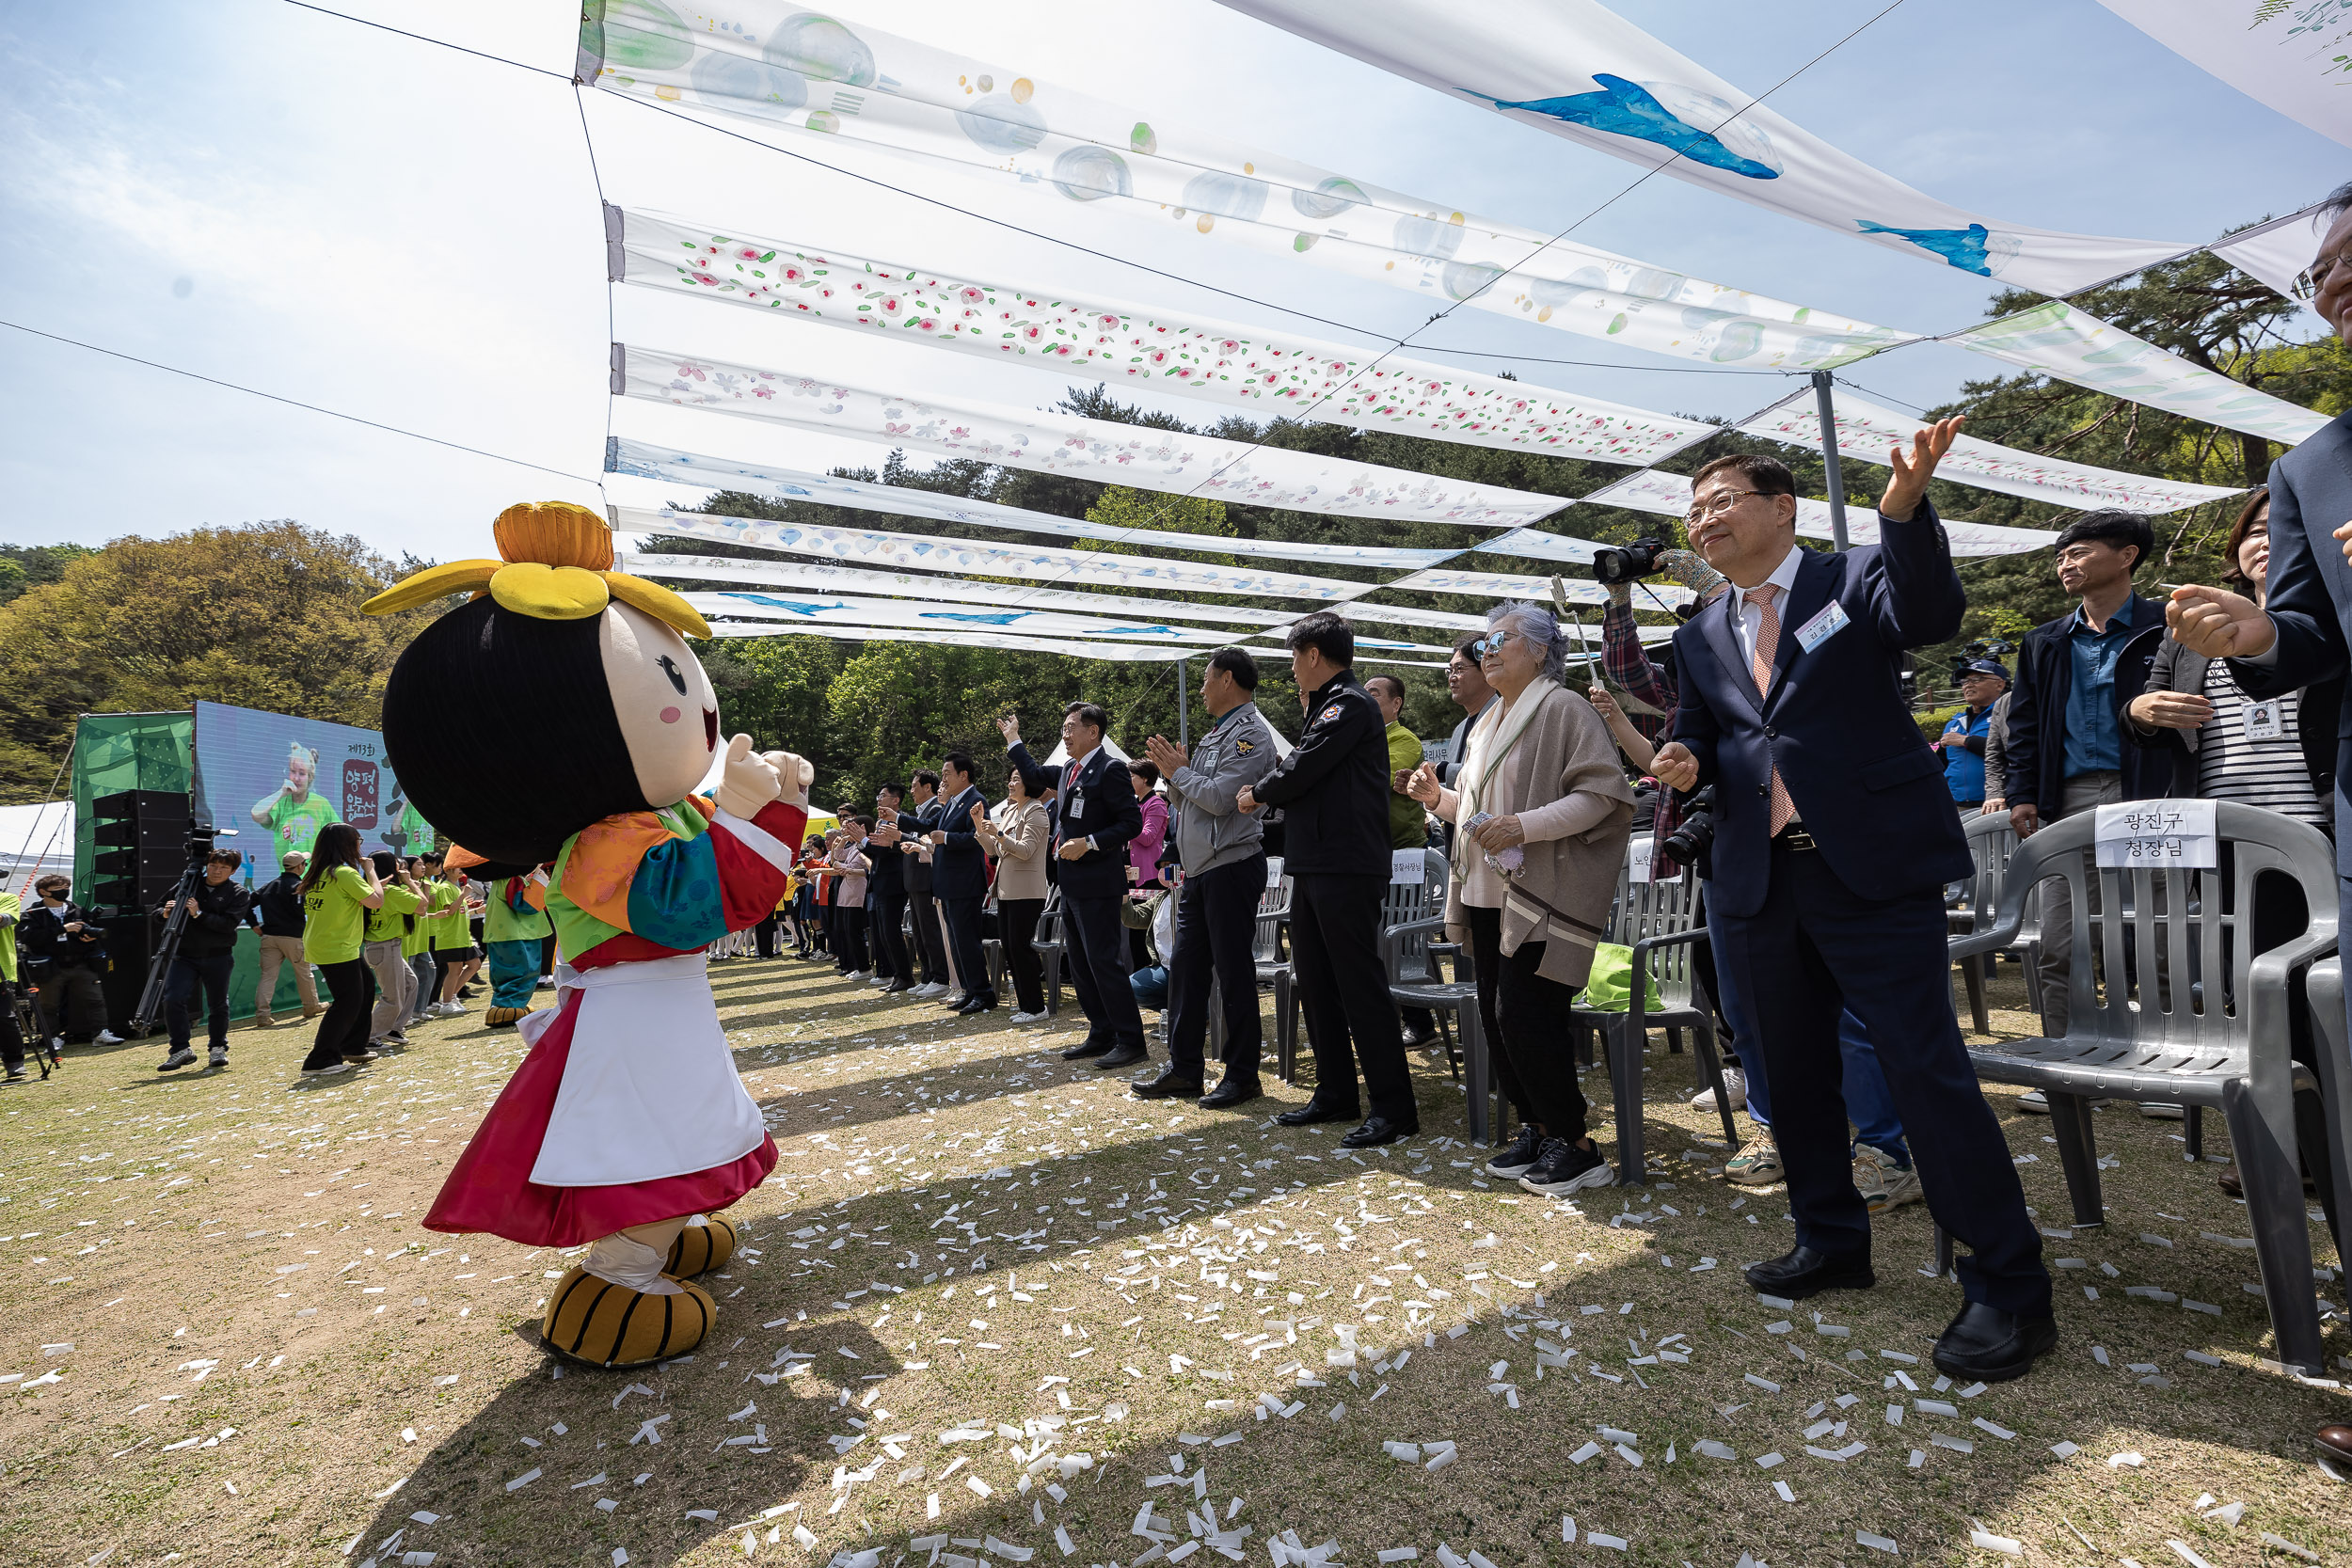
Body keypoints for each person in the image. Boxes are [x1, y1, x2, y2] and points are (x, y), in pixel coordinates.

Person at [1649, 428, 2058, 1383]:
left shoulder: (1854, 577)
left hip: (1867, 867)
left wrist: (1905, 505)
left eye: (1720, 500)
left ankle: (2007, 1285)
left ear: (1781, 506)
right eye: (1693, 508)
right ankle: (1829, 1237)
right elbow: (1700, 729)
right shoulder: (1698, 630)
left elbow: (1925, 608)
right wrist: (1683, 756)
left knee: (1923, 1070)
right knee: (1786, 1073)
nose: (1703, 518)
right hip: (1755, 876)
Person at [2166, 183, 2352, 1448]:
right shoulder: (2311, 463)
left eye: (2349, 250)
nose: (2331, 276)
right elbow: (2305, 643)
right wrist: (2254, 633)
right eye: (2322, 265)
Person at [1406, 602, 1635, 1192]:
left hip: (1540, 891)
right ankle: (1539, 1124)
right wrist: (1438, 801)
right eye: (1484, 642)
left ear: (1538, 649)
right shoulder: (1487, 721)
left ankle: (1580, 1146)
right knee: (1497, 1017)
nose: (1487, 651)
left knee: (1527, 1016)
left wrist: (1523, 826)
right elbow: (1478, 817)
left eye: (1499, 640)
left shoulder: (1562, 708)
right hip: (1486, 892)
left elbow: (1602, 796)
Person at [1238, 613, 1417, 1148]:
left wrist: (1258, 791)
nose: (1292, 670)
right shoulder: (1327, 707)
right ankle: (1337, 1091)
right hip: (1316, 861)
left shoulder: (1349, 703)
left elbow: (1304, 768)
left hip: (1346, 863)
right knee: (1315, 981)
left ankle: (1394, 1107)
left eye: (1295, 658)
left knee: (1358, 984)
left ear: (1314, 655)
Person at [2004, 511, 2174, 1037]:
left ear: (2127, 557)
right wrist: (2023, 793)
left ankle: (2170, 1062)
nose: (2065, 563)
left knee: (2160, 935)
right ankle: (2067, 1056)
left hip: (2150, 794)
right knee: (2061, 937)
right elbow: (2025, 725)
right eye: (2060, 556)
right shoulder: (2044, 642)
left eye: (2079, 552)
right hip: (2069, 797)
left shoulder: (2168, 626)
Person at [1141, 647, 1283, 1106]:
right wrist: (1176, 778)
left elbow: (1222, 799)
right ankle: (1184, 1069)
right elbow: (1190, 803)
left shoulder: (1251, 736)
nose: (1200, 689)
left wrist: (1179, 772)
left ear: (1227, 680)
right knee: (1185, 968)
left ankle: (1242, 1074)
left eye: (1206, 679)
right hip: (1200, 871)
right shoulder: (1213, 736)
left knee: (1234, 971)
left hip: (1232, 865)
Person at [1006, 706, 1146, 1055]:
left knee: (1104, 962)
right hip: (1071, 884)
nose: (1065, 735)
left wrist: (1089, 842)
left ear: (1093, 731)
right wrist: (1013, 740)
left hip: (1099, 884)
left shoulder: (1111, 769)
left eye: (1070, 728)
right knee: (1081, 966)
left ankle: (1130, 1040)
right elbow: (1034, 774)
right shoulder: (1069, 769)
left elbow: (1131, 824)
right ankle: (1101, 1032)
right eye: (1063, 728)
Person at [297, 824, 385, 1075]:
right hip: (336, 945)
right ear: (348, 844)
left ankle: (353, 1046)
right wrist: (371, 872)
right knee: (347, 1001)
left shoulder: (317, 872)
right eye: (359, 839)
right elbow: (376, 902)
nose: (360, 844)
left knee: (366, 987)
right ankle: (320, 1059)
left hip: (328, 942)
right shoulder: (344, 873)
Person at [155, 847, 253, 1071]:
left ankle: (217, 1047)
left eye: (223, 868)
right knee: (172, 998)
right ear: (206, 865)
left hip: (218, 956)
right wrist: (165, 913)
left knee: (218, 1003)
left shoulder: (238, 892)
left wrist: (198, 914)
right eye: (213, 866)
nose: (217, 871)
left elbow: (228, 925)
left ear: (233, 871)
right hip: (184, 955)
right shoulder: (188, 884)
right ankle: (180, 1050)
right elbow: (157, 909)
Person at [978, 766, 1053, 1022]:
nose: (1011, 784)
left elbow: (1026, 850)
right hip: (1006, 890)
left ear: (1029, 783)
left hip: (1027, 891)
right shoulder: (1011, 810)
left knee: (1021, 948)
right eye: (1010, 779)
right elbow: (995, 852)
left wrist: (997, 833)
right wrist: (980, 827)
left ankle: (1036, 1007)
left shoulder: (1036, 811)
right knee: (1010, 947)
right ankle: (1025, 1005)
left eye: (1016, 779)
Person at [932, 752, 1004, 1015]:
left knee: (967, 940)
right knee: (956, 940)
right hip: (950, 883)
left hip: (965, 883)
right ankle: (970, 990)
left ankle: (983, 994)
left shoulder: (976, 801)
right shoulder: (952, 802)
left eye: (947, 773)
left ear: (964, 775)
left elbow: (976, 838)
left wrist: (948, 838)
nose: (944, 778)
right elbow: (932, 826)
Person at [21, 876, 119, 1049]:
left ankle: (101, 1033)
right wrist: (61, 929)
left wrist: (90, 939)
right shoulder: (32, 913)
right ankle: (52, 1038)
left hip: (80, 963)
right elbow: (28, 937)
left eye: (66, 886)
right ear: (44, 891)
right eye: (59, 887)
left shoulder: (78, 910)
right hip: (50, 966)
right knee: (49, 1005)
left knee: (95, 999)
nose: (64, 890)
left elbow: (92, 931)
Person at [248, 849, 322, 1026]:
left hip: (269, 936)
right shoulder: (299, 886)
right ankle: (311, 1007)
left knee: (268, 976)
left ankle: (263, 1016)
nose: (305, 866)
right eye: (305, 863)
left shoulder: (270, 885)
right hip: (293, 937)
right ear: (299, 867)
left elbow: (247, 903)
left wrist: (254, 925)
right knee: (304, 974)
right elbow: (300, 910)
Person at [361, 851, 424, 1048]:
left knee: (410, 983)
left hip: (380, 947)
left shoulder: (371, 889)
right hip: (385, 946)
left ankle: (394, 1028)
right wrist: (411, 882)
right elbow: (422, 907)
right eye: (397, 865)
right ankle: (369, 1037)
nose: (401, 868)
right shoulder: (390, 892)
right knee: (392, 997)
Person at [480, 867, 551, 1029]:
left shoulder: (501, 880)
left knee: (504, 972)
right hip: (518, 934)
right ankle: (509, 1006)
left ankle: (506, 1005)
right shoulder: (512, 879)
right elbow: (527, 905)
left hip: (502, 933)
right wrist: (540, 881)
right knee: (523, 971)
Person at [250, 740, 342, 866]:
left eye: (302, 773)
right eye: (293, 771)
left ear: (310, 777)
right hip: (288, 877)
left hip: (315, 878)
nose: (296, 778)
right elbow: (256, 814)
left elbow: (340, 836)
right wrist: (281, 793)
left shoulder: (321, 804)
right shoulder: (281, 803)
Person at [1936, 661, 2010, 815]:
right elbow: (1941, 764)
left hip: (1997, 803)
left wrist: (1965, 741)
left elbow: (2012, 751)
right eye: (1965, 681)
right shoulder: (1954, 723)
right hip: (1956, 805)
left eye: (1977, 680)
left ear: (2000, 685)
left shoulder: (2008, 715)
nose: (1968, 685)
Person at [866, 784, 916, 993]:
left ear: (895, 800)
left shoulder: (899, 821)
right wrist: (862, 842)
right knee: (883, 933)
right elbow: (877, 852)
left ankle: (905, 976)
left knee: (891, 932)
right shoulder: (881, 822)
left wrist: (861, 840)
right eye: (878, 795)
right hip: (879, 883)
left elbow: (889, 851)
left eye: (883, 796)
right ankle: (897, 975)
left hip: (893, 883)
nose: (879, 799)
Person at [427, 862, 481, 1016]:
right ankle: (446, 1003)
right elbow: (449, 911)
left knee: (474, 964)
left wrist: (474, 909)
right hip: (450, 937)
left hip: (462, 936)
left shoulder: (455, 887)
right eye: (458, 868)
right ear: (449, 870)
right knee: (455, 970)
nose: (461, 870)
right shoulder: (445, 888)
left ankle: (450, 997)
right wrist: (464, 895)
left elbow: (459, 911)